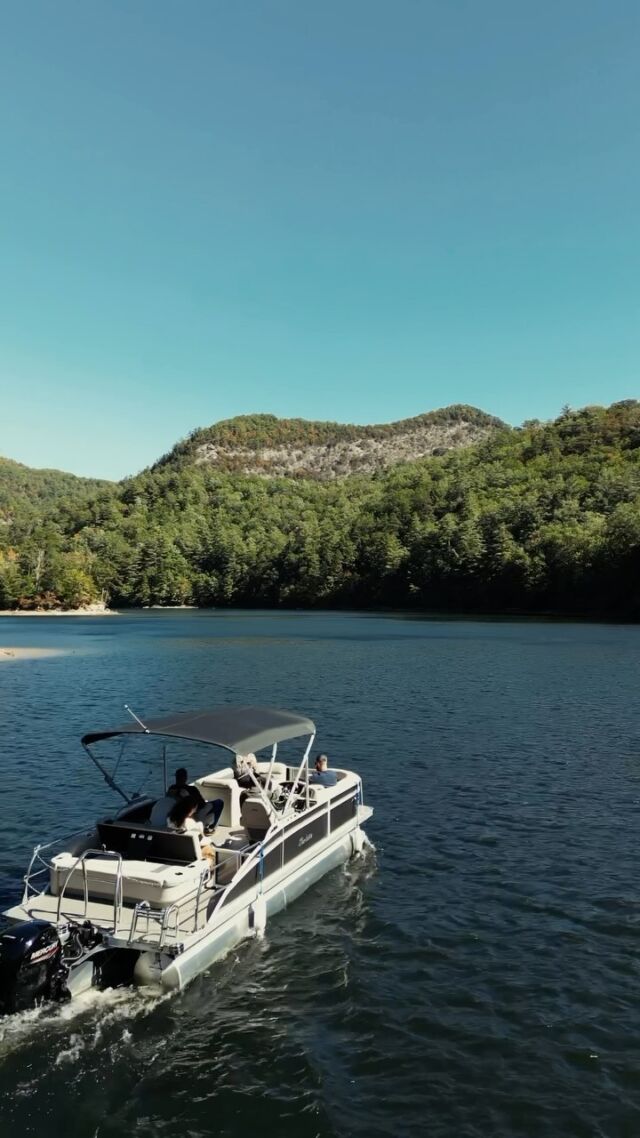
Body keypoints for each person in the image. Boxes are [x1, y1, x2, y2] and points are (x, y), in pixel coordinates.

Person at [167, 798, 215, 866]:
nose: (195, 811)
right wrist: (209, 840)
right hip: (192, 849)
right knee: (210, 849)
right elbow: (200, 841)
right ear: (190, 809)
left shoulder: (170, 819)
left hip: (176, 848)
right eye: (194, 809)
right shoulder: (190, 823)